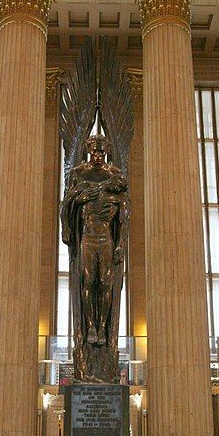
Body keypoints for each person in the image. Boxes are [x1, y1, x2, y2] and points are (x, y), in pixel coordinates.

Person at [61, 135, 130, 350]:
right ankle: (90, 326)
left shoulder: (115, 177)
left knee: (106, 284)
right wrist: (76, 203)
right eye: (95, 151)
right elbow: (66, 204)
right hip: (87, 238)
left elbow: (125, 214)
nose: (98, 155)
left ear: (107, 150)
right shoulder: (78, 174)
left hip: (106, 238)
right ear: (89, 150)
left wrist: (120, 245)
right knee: (89, 282)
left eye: (102, 151)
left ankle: (102, 328)